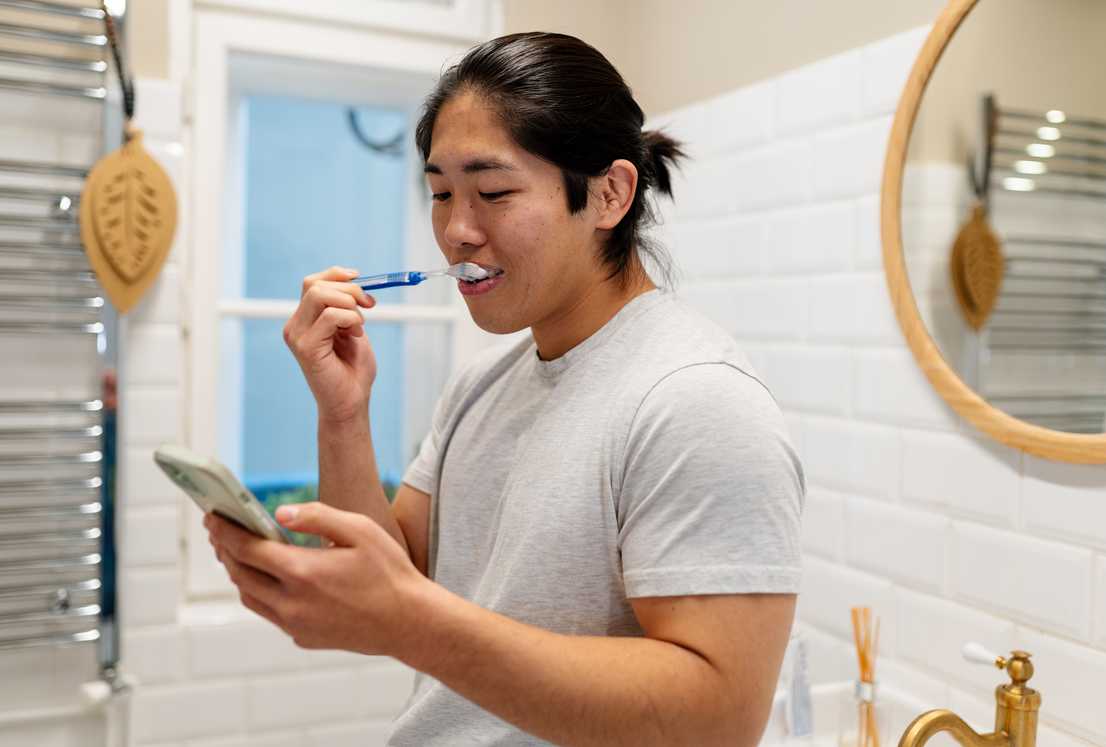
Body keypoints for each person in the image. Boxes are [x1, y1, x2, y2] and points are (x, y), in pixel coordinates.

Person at [205, 31, 804, 746]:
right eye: (440, 194)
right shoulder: (479, 386)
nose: (457, 230)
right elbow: (390, 581)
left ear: (610, 194)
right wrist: (342, 413)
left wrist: (410, 620)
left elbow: (720, 719)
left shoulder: (697, 402)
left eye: (493, 192)